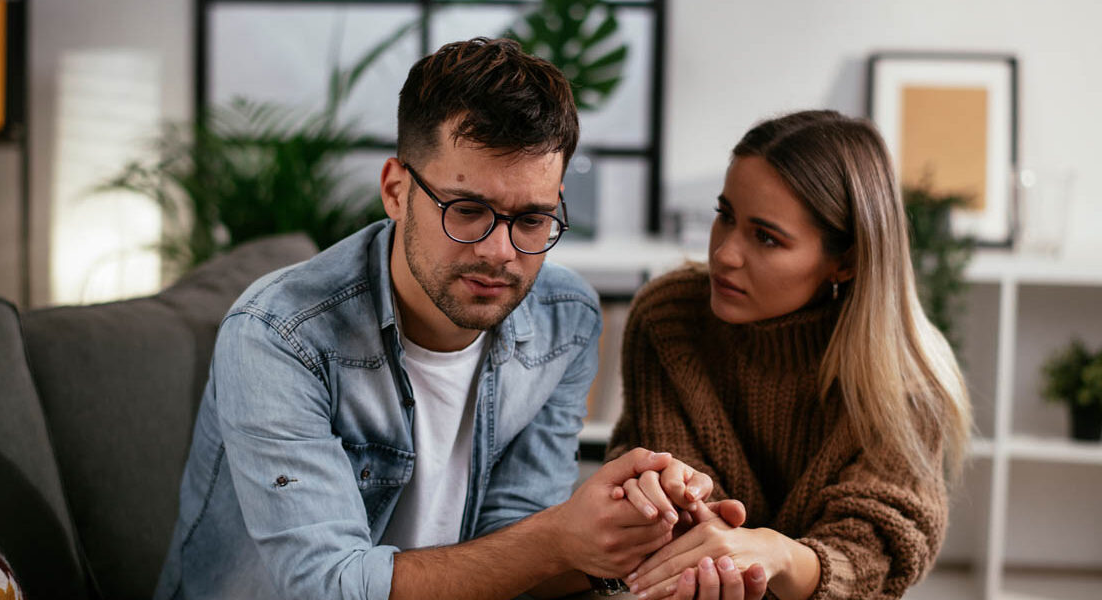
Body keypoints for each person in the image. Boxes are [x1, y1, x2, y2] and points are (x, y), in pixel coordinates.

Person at [155, 37, 732, 600]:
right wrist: (560, 540)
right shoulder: (278, 336)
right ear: (396, 191)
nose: (500, 252)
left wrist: (640, 543)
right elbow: (326, 585)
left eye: (532, 219)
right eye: (468, 210)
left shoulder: (563, 322)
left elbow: (511, 545)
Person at [606, 110, 974, 600]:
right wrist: (661, 492)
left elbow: (872, 552)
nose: (725, 254)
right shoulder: (668, 319)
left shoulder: (905, 377)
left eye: (765, 237)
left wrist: (775, 554)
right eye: (725, 215)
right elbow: (667, 493)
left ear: (845, 262)